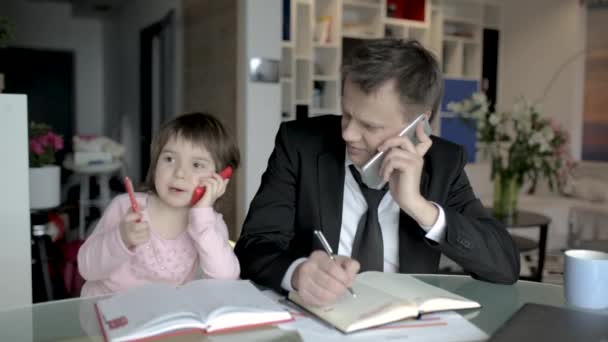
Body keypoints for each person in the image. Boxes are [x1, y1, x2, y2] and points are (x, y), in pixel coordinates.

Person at [234, 39, 520, 306]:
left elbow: (505, 266)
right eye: (346, 114)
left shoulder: (444, 163)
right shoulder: (300, 144)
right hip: (317, 318)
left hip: (406, 324)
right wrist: (296, 273)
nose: (348, 134)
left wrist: (419, 207)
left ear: (420, 123)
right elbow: (253, 247)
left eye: (370, 127)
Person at [78, 112, 240, 297]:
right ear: (155, 165)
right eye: (169, 159)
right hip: (107, 314)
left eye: (197, 165)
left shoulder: (210, 224)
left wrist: (202, 217)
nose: (179, 173)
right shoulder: (125, 208)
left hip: (158, 319)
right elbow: (86, 268)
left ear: (220, 178)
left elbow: (226, 279)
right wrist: (121, 238)